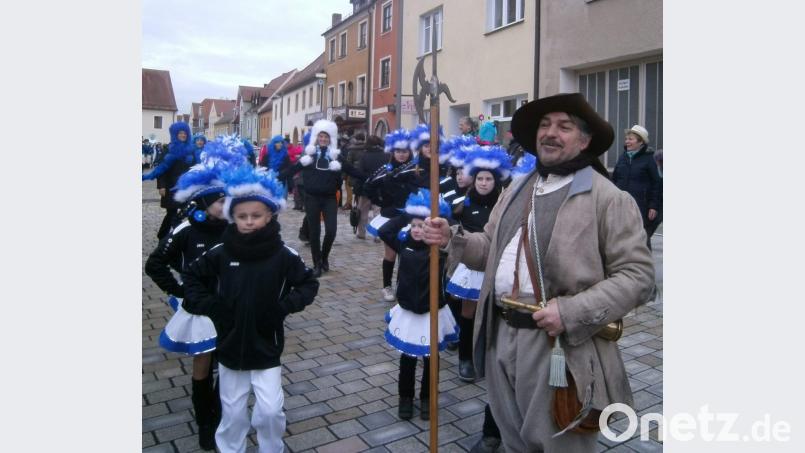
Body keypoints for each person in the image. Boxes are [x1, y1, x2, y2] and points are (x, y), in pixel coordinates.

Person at [423, 93, 655, 452]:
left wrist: (570, 311)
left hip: (558, 346)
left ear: (585, 139)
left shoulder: (608, 198)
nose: (550, 133)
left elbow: (638, 277)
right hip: (501, 334)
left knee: (559, 446)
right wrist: (451, 240)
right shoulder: (517, 187)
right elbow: (489, 248)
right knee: (514, 440)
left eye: (564, 126)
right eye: (545, 125)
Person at [181, 164, 319, 453]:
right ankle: (231, 448)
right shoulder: (220, 253)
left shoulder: (283, 255)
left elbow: (308, 285)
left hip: (266, 343)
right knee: (231, 412)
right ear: (233, 217)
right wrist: (212, 307)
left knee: (270, 410)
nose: (248, 221)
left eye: (256, 216)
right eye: (242, 216)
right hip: (230, 345)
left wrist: (281, 309)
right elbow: (192, 277)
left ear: (270, 216)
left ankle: (272, 447)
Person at [144, 140, 246, 450]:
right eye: (219, 201)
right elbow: (155, 263)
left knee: (227, 365)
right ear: (204, 201)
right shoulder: (187, 228)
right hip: (201, 309)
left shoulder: (236, 227)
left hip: (231, 306)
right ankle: (205, 422)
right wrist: (180, 289)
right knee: (202, 365)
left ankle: (219, 414)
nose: (225, 205)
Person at [378, 189, 458, 421]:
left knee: (431, 359)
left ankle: (427, 398)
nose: (417, 229)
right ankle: (405, 397)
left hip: (432, 312)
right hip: (408, 313)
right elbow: (385, 230)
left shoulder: (440, 251)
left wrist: (436, 219)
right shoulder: (403, 244)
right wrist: (408, 214)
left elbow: (452, 228)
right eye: (413, 225)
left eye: (422, 226)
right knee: (407, 360)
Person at [445, 145, 512, 383]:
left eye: (489, 179)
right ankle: (465, 358)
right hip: (470, 267)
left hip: (495, 265)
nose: (484, 183)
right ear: (474, 179)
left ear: (496, 181)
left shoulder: (503, 205)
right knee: (469, 314)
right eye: (480, 178)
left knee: (493, 315)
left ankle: (488, 356)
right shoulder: (463, 204)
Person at [279, 119, 363, 276]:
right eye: (320, 136)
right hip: (312, 198)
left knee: (331, 231)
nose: (323, 139)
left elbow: (353, 170)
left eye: (326, 137)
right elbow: (291, 170)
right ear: (316, 138)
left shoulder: (336, 158)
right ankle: (317, 263)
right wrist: (274, 176)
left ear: (330, 138)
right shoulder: (308, 157)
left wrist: (370, 177)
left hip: (330, 198)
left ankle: (324, 257)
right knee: (314, 232)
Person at [364, 129, 418, 302]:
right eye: (398, 151)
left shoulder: (415, 169)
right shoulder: (386, 169)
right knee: (391, 254)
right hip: (389, 217)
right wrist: (380, 200)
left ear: (410, 152)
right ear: (393, 152)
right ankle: (387, 286)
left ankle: (401, 285)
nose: (401, 155)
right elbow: (368, 186)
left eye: (405, 151)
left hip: (410, 218)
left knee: (406, 254)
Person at [143, 121, 197, 239]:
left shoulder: (191, 150)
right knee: (171, 213)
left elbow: (195, 167)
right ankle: (162, 235)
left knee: (185, 212)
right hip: (170, 186)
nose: (183, 135)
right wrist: (161, 185)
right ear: (175, 134)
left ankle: (178, 236)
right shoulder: (169, 149)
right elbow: (161, 170)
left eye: (185, 133)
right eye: (180, 133)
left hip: (186, 187)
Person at [611, 125, 662, 249]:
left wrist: (653, 206)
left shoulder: (649, 159)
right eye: (627, 139)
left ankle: (644, 266)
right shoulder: (622, 158)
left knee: (641, 239)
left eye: (631, 139)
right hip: (622, 205)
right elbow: (615, 179)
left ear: (641, 142)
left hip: (641, 206)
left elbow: (656, 184)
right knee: (621, 238)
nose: (627, 142)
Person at [355, 135, 387, 239]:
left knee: (363, 212)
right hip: (381, 188)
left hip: (366, 188)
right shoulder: (386, 155)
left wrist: (358, 188)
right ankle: (377, 234)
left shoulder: (364, 156)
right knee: (378, 211)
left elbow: (359, 173)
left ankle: (361, 233)